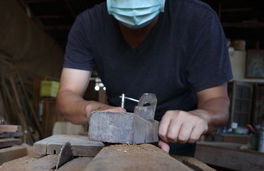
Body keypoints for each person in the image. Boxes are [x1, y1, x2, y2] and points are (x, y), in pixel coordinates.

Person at [56, 0, 232, 156]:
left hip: (175, 148)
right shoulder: (88, 25)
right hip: (113, 146)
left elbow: (217, 101)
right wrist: (93, 110)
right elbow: (67, 96)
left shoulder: (198, 19)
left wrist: (201, 116)